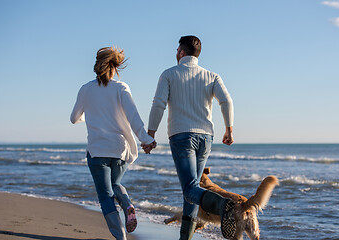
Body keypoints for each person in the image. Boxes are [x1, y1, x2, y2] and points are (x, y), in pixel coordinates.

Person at [146, 36, 240, 240]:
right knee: (193, 188)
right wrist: (229, 130)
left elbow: (158, 104)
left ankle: (223, 205)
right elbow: (227, 102)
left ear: (181, 51)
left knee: (190, 190)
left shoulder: (169, 74)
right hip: (206, 137)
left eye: (177, 49)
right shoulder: (212, 76)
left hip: (181, 136)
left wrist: (150, 134)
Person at [70, 47, 156, 240]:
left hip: (97, 150)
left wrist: (88, 116)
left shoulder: (86, 89)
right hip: (120, 148)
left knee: (105, 196)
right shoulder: (121, 87)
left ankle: (120, 237)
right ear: (116, 67)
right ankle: (127, 205)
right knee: (116, 183)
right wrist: (146, 139)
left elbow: (74, 118)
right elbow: (134, 117)